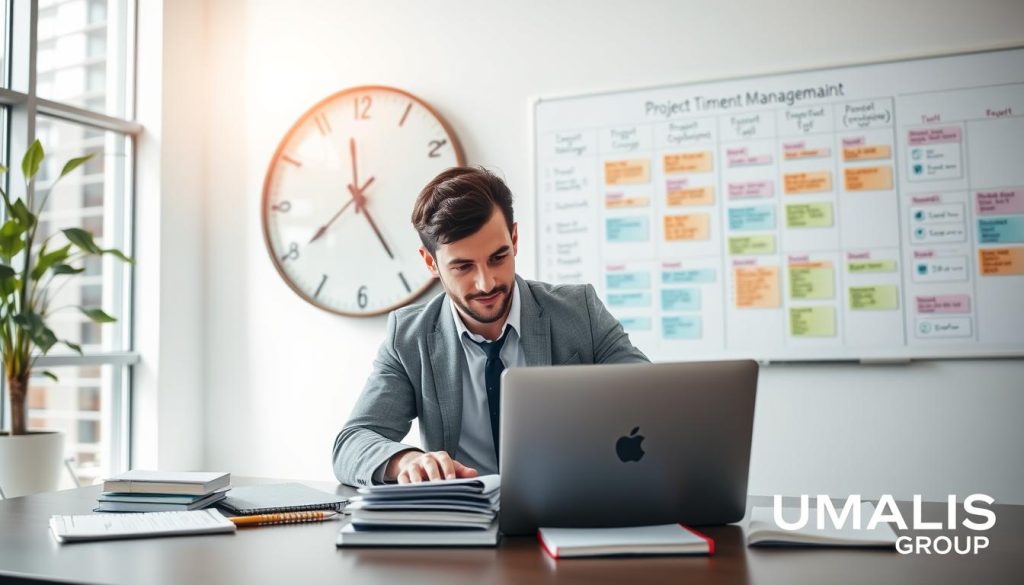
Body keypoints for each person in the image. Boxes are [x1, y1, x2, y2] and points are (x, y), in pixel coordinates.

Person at [332, 166, 648, 486]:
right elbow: (352, 443)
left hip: (569, 505)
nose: (486, 284)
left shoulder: (580, 312)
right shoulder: (409, 337)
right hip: (465, 523)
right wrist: (406, 461)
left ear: (514, 239)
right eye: (463, 266)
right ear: (431, 263)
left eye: (498, 257)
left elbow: (651, 399)